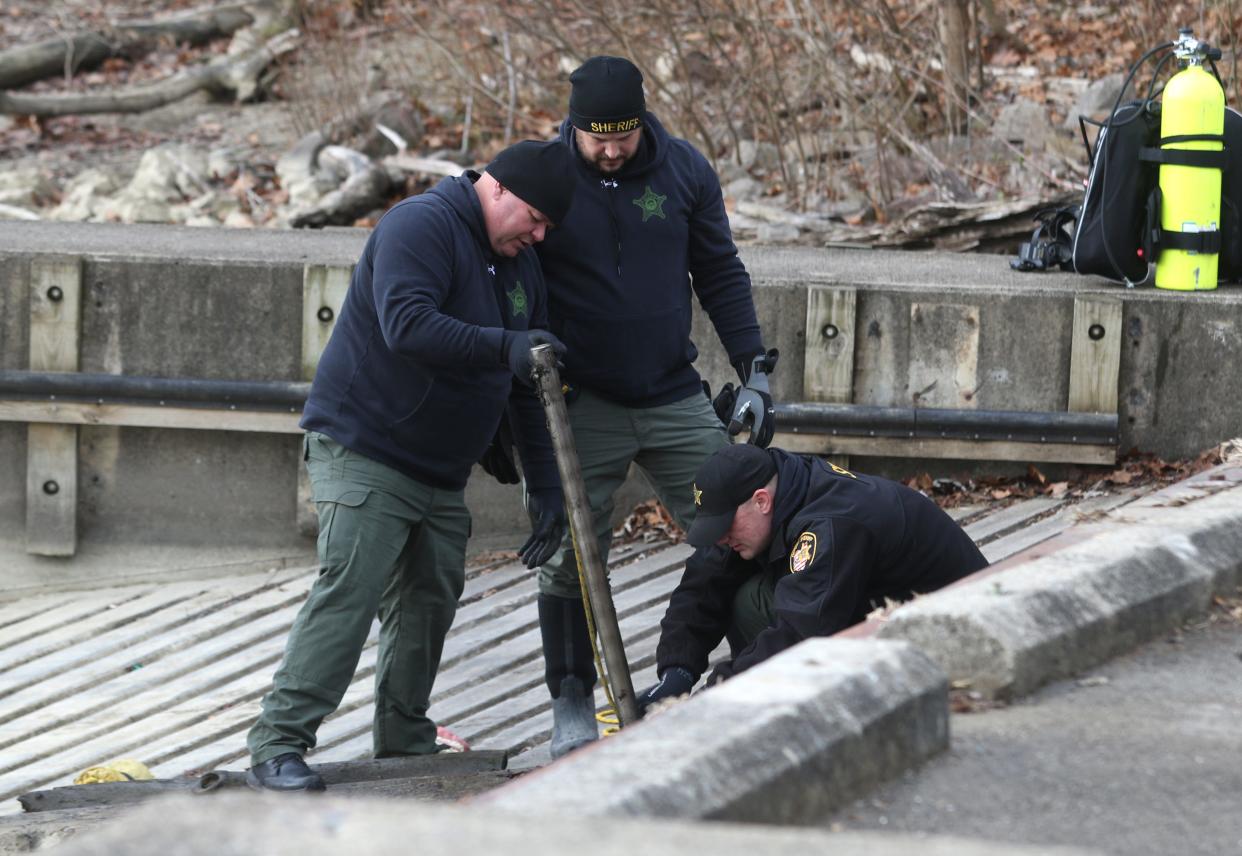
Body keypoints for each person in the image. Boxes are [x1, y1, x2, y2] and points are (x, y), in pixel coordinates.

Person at [245, 140, 577, 791]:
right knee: (352, 587)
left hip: (438, 470)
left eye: (547, 229)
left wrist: (546, 485)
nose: (538, 236)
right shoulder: (419, 225)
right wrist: (505, 345)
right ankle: (276, 744)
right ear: (500, 189)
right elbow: (408, 324)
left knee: (429, 598)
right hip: (364, 447)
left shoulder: (519, 268)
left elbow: (525, 382)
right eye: (534, 219)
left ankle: (403, 738)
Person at [491, 54, 777, 758]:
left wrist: (756, 367)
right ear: (574, 126)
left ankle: (764, 671)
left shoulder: (683, 171)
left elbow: (718, 271)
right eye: (598, 137)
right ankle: (572, 706)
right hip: (579, 399)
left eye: (624, 135)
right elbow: (505, 267)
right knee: (568, 556)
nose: (612, 150)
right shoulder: (545, 178)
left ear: (643, 119)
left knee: (740, 527)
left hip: (672, 392)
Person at [636, 444, 989, 710]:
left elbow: (801, 631)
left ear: (761, 501)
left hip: (954, 639)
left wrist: (713, 698)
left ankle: (769, 711)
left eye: (725, 526)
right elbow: (704, 577)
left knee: (755, 604)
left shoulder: (831, 525)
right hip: (874, 609)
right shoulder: (783, 481)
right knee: (737, 588)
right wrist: (676, 674)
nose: (721, 537)